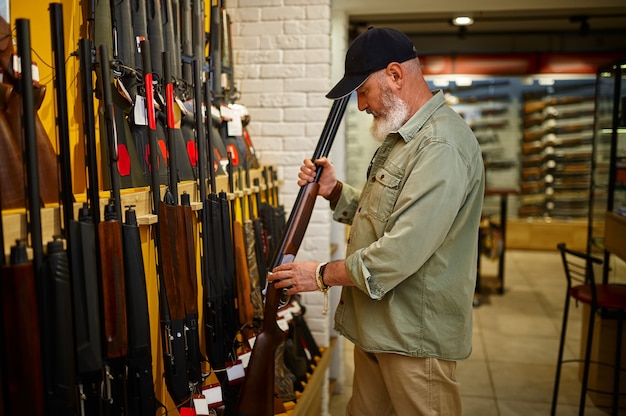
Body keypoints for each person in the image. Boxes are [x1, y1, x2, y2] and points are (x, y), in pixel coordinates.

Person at [269, 26, 485, 415]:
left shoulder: (440, 146)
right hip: (381, 328)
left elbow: (400, 251)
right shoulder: (406, 139)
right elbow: (386, 214)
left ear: (395, 75)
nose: (361, 106)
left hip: (413, 338)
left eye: (363, 92)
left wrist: (319, 275)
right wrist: (335, 191)